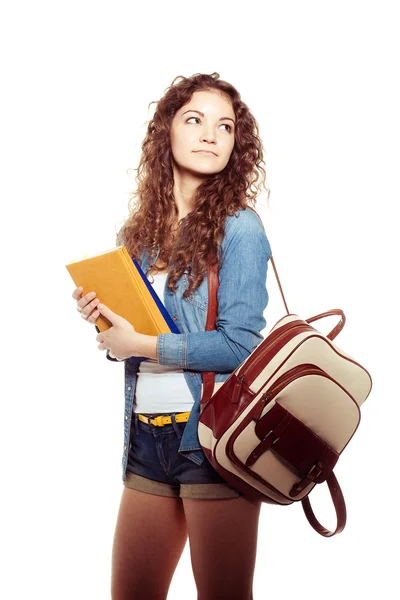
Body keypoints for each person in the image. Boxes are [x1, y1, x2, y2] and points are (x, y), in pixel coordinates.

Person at [71, 72, 272, 600]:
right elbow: (132, 342)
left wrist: (142, 345)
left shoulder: (241, 228)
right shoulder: (136, 235)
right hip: (145, 437)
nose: (211, 135)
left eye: (225, 126)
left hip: (210, 438)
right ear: (168, 132)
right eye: (195, 120)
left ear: (236, 143)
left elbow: (240, 347)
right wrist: (107, 325)